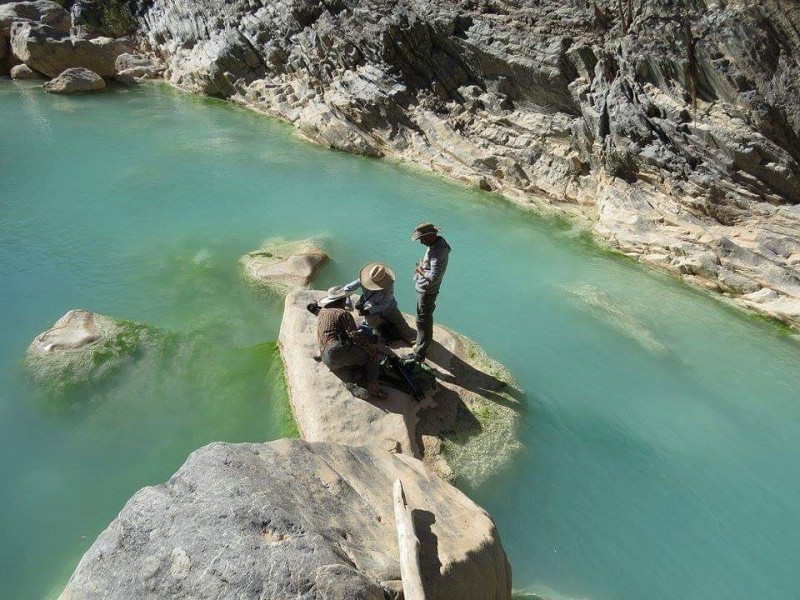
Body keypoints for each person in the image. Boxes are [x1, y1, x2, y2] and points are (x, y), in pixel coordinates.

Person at [316, 286, 386, 399]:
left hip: (325, 356)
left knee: (353, 358)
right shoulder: (342, 313)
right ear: (343, 300)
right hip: (335, 352)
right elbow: (355, 336)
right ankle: (373, 387)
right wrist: (371, 350)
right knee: (370, 357)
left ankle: (352, 381)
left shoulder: (323, 311)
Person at [341, 262, 416, 344]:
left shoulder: (389, 285)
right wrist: (348, 303)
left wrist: (370, 311)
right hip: (369, 304)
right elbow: (347, 288)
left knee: (401, 323)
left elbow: (385, 304)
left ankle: (411, 338)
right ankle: (383, 327)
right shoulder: (362, 280)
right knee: (371, 322)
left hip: (388, 307)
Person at [410, 222, 451, 361]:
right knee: (421, 319)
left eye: (421, 238)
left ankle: (419, 353)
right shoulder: (438, 244)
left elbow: (433, 277)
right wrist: (424, 265)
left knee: (423, 321)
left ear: (430, 236)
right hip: (425, 289)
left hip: (427, 291)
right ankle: (420, 342)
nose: (420, 241)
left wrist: (421, 270)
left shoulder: (438, 251)